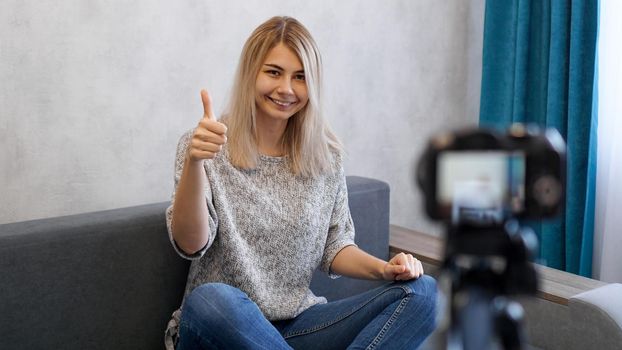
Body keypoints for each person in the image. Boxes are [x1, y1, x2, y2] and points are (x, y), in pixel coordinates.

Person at [164, 16, 437, 350]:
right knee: (212, 300)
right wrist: (195, 162)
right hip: (221, 327)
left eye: (300, 77)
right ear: (251, 72)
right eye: (274, 72)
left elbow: (334, 246)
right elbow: (190, 244)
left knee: (423, 292)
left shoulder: (326, 156)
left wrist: (385, 270)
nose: (287, 89)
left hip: (297, 326)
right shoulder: (204, 145)